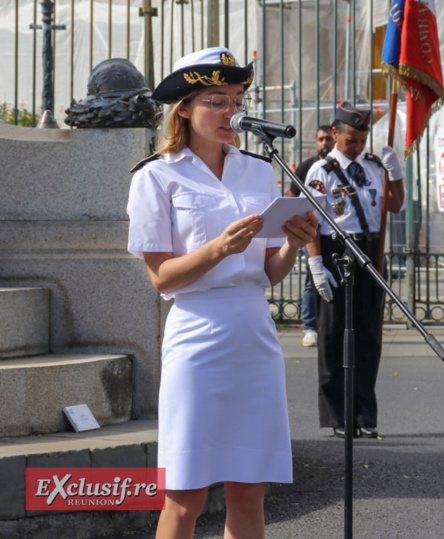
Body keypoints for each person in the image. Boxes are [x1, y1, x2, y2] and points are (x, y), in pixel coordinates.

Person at [126, 47, 319, 537]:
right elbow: (161, 277)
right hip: (198, 334)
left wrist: (294, 246)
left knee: (250, 493)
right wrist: (218, 249)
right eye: (217, 100)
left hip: (253, 335)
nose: (231, 111)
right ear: (184, 109)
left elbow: (269, 272)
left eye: (237, 99)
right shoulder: (157, 176)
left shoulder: (257, 171)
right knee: (185, 497)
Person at [304, 102, 405, 438]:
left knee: (367, 336)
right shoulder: (321, 171)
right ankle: (338, 418)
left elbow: (394, 205)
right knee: (333, 337)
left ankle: (363, 416)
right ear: (335, 134)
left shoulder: (375, 167)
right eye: (351, 140)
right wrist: (315, 262)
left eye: (362, 140)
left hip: (372, 251)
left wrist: (397, 175)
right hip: (336, 250)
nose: (358, 146)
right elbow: (309, 221)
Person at [289, 125, 336, 347]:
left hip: (333, 235)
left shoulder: (337, 167)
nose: (324, 143)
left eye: (328, 138)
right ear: (316, 142)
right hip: (310, 231)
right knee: (311, 281)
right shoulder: (308, 167)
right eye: (321, 139)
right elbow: (292, 194)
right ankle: (310, 327)